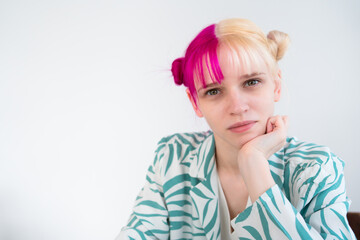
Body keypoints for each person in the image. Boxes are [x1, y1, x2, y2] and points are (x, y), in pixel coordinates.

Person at [117, 18, 356, 239]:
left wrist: (255, 166)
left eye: (251, 82)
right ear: (195, 103)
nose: (238, 106)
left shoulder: (315, 168)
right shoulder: (173, 157)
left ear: (276, 86)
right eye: (213, 91)